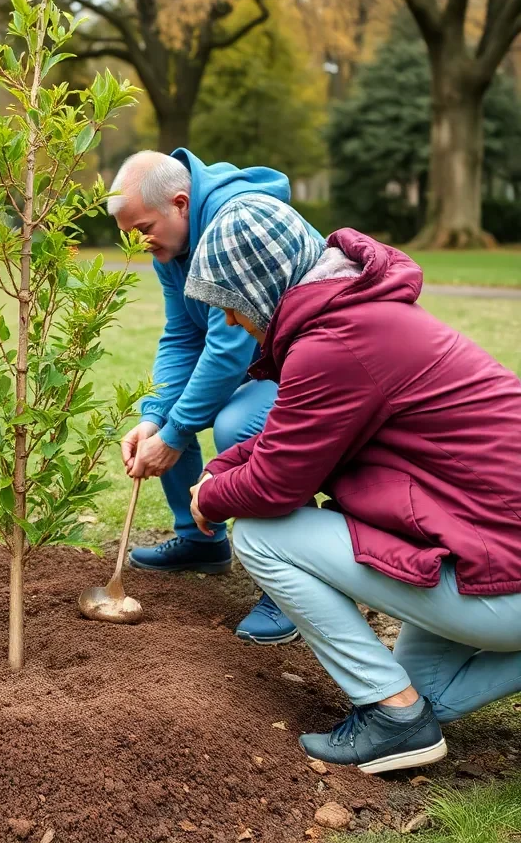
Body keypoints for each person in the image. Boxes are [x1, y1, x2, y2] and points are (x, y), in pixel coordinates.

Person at [185, 198, 521, 773]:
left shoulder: (334, 345)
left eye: (233, 306)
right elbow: (293, 438)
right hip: (490, 546)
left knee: (261, 536)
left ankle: (392, 720)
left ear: (263, 287)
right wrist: (218, 471)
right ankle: (406, 709)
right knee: (426, 693)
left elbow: (274, 485)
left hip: (498, 572)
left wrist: (211, 497)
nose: (233, 323)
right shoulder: (358, 317)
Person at [110, 149, 324, 644]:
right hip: (270, 359)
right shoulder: (175, 246)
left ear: (180, 203)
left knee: (234, 425)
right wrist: (155, 416)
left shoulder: (233, 226)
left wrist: (177, 432)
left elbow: (228, 349)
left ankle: (296, 586)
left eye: (142, 228)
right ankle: (200, 541)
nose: (139, 243)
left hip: (314, 364)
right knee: (160, 421)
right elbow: (182, 336)